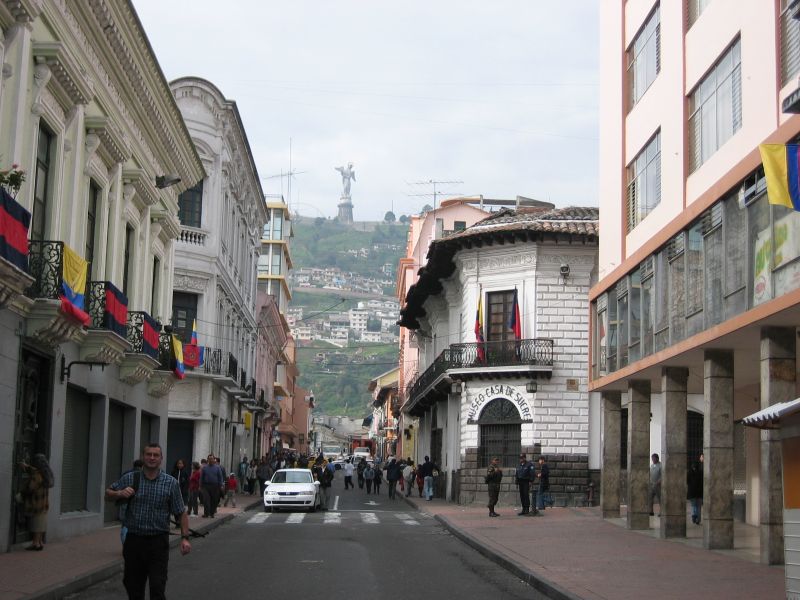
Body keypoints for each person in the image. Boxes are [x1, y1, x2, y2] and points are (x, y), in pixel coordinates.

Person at [106, 443, 191, 600]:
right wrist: (119, 493)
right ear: (143, 457)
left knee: (157, 586)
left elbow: (181, 512)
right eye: (149, 454)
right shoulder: (131, 478)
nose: (152, 458)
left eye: (156, 455)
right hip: (134, 541)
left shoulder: (170, 483)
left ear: (161, 459)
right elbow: (108, 494)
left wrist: (184, 538)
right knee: (133, 586)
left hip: (158, 542)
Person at [18, 454, 54, 551]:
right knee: (41, 525)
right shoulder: (46, 473)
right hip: (44, 504)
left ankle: (35, 544)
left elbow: (30, 488)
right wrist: (26, 467)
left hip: (36, 504)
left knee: (36, 525)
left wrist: (22, 493)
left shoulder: (37, 475)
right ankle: (40, 542)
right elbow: (33, 470)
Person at [687, 453, 704, 525]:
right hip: (699, 492)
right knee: (698, 506)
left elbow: (687, 481)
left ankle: (694, 516)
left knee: (694, 505)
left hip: (692, 492)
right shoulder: (701, 472)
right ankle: (697, 519)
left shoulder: (689, 472)